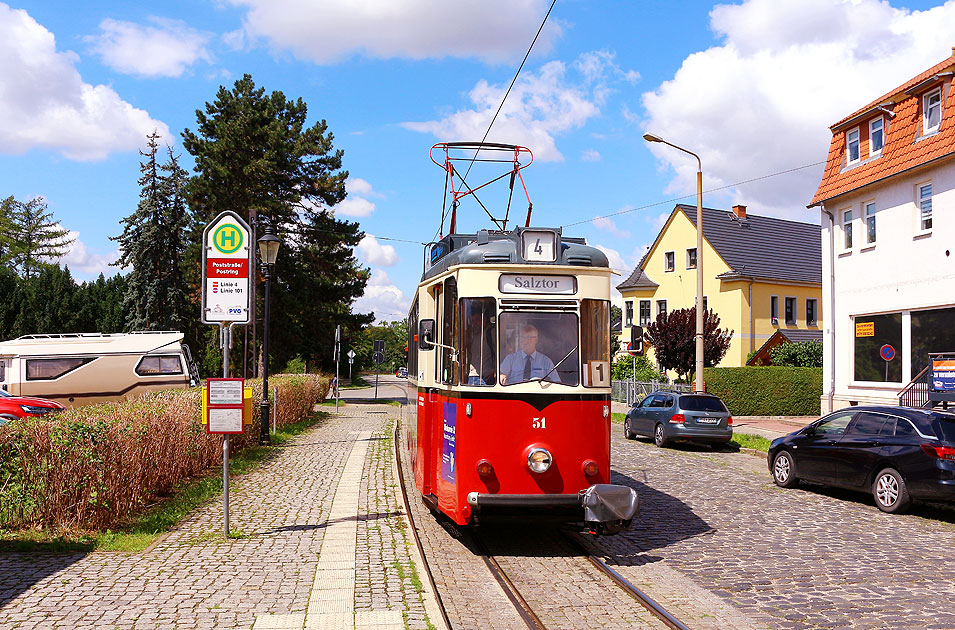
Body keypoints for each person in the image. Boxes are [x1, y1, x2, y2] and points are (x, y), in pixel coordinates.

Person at [466, 309, 496, 385]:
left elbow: (502, 352)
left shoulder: (490, 333)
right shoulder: (474, 335)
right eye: (473, 321)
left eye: (477, 320)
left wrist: (495, 370)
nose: (474, 323)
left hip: (484, 378)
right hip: (472, 376)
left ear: (484, 320)